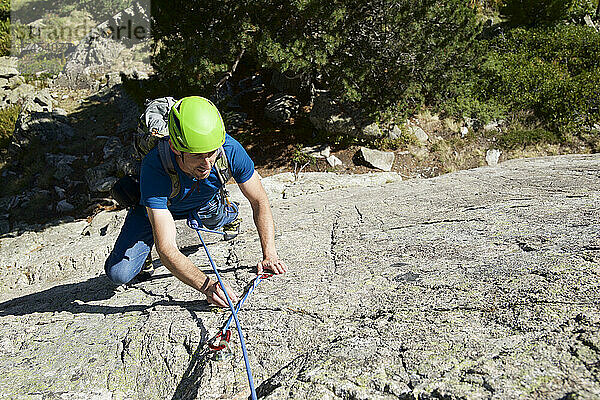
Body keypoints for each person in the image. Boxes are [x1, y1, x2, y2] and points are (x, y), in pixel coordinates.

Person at [104, 96, 287, 307]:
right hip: (160, 210)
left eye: (211, 154)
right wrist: (208, 286)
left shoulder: (229, 149)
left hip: (205, 202)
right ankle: (145, 248)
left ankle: (228, 214)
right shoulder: (155, 166)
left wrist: (269, 254)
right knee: (118, 274)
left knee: (217, 216)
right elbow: (167, 249)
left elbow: (259, 201)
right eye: (197, 156)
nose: (206, 163)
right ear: (175, 148)